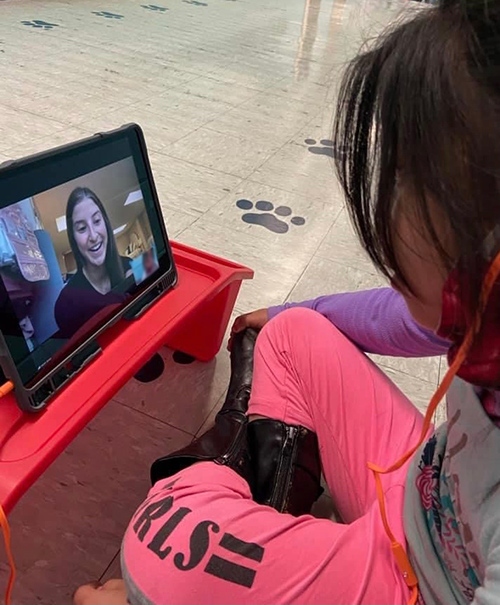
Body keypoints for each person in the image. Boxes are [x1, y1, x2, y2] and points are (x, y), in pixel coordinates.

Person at [74, 1, 500, 603]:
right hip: (430, 502)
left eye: (408, 180)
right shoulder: (485, 309)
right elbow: (401, 317)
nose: (388, 201)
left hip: (418, 579)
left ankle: (242, 484)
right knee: (294, 332)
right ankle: (260, 488)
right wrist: (289, 314)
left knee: (159, 533)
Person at [55, 187, 132, 338]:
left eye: (97, 221)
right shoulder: (66, 303)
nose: (93, 236)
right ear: (73, 238)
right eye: (82, 228)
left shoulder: (132, 265)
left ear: (105, 223)